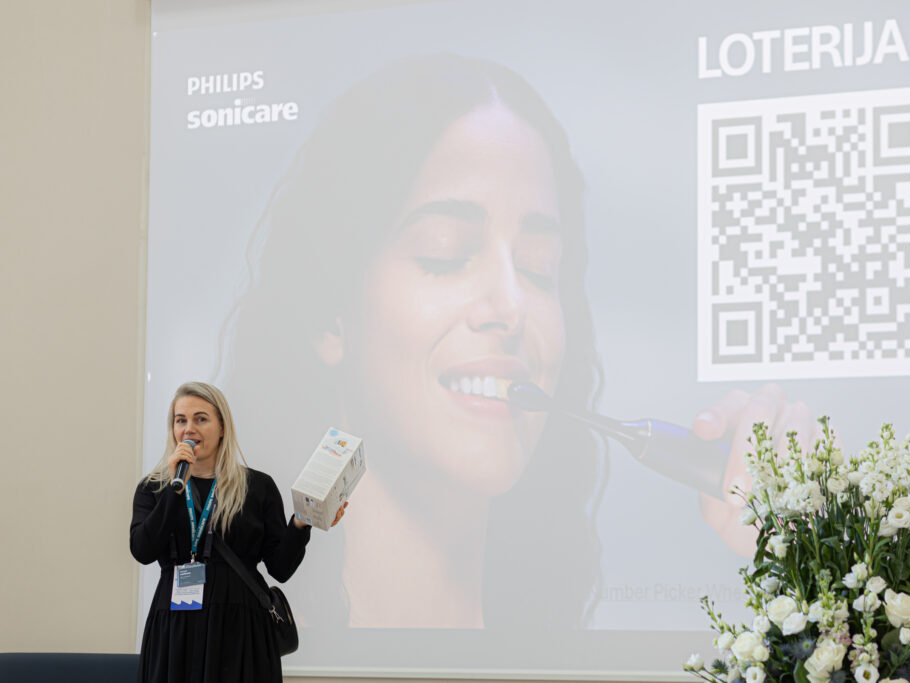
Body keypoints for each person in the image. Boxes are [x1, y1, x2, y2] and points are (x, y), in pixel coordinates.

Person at [219, 54, 818, 633]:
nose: (511, 306)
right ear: (330, 317)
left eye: (538, 267)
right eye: (445, 252)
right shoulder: (242, 639)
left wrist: (812, 558)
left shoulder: (566, 649)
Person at [129, 381, 344, 682]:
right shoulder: (154, 488)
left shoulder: (257, 487)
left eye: (201, 419)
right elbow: (142, 550)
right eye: (181, 420)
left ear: (222, 428)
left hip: (241, 632)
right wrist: (174, 491)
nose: (189, 429)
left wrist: (302, 522)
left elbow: (280, 568)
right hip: (175, 630)